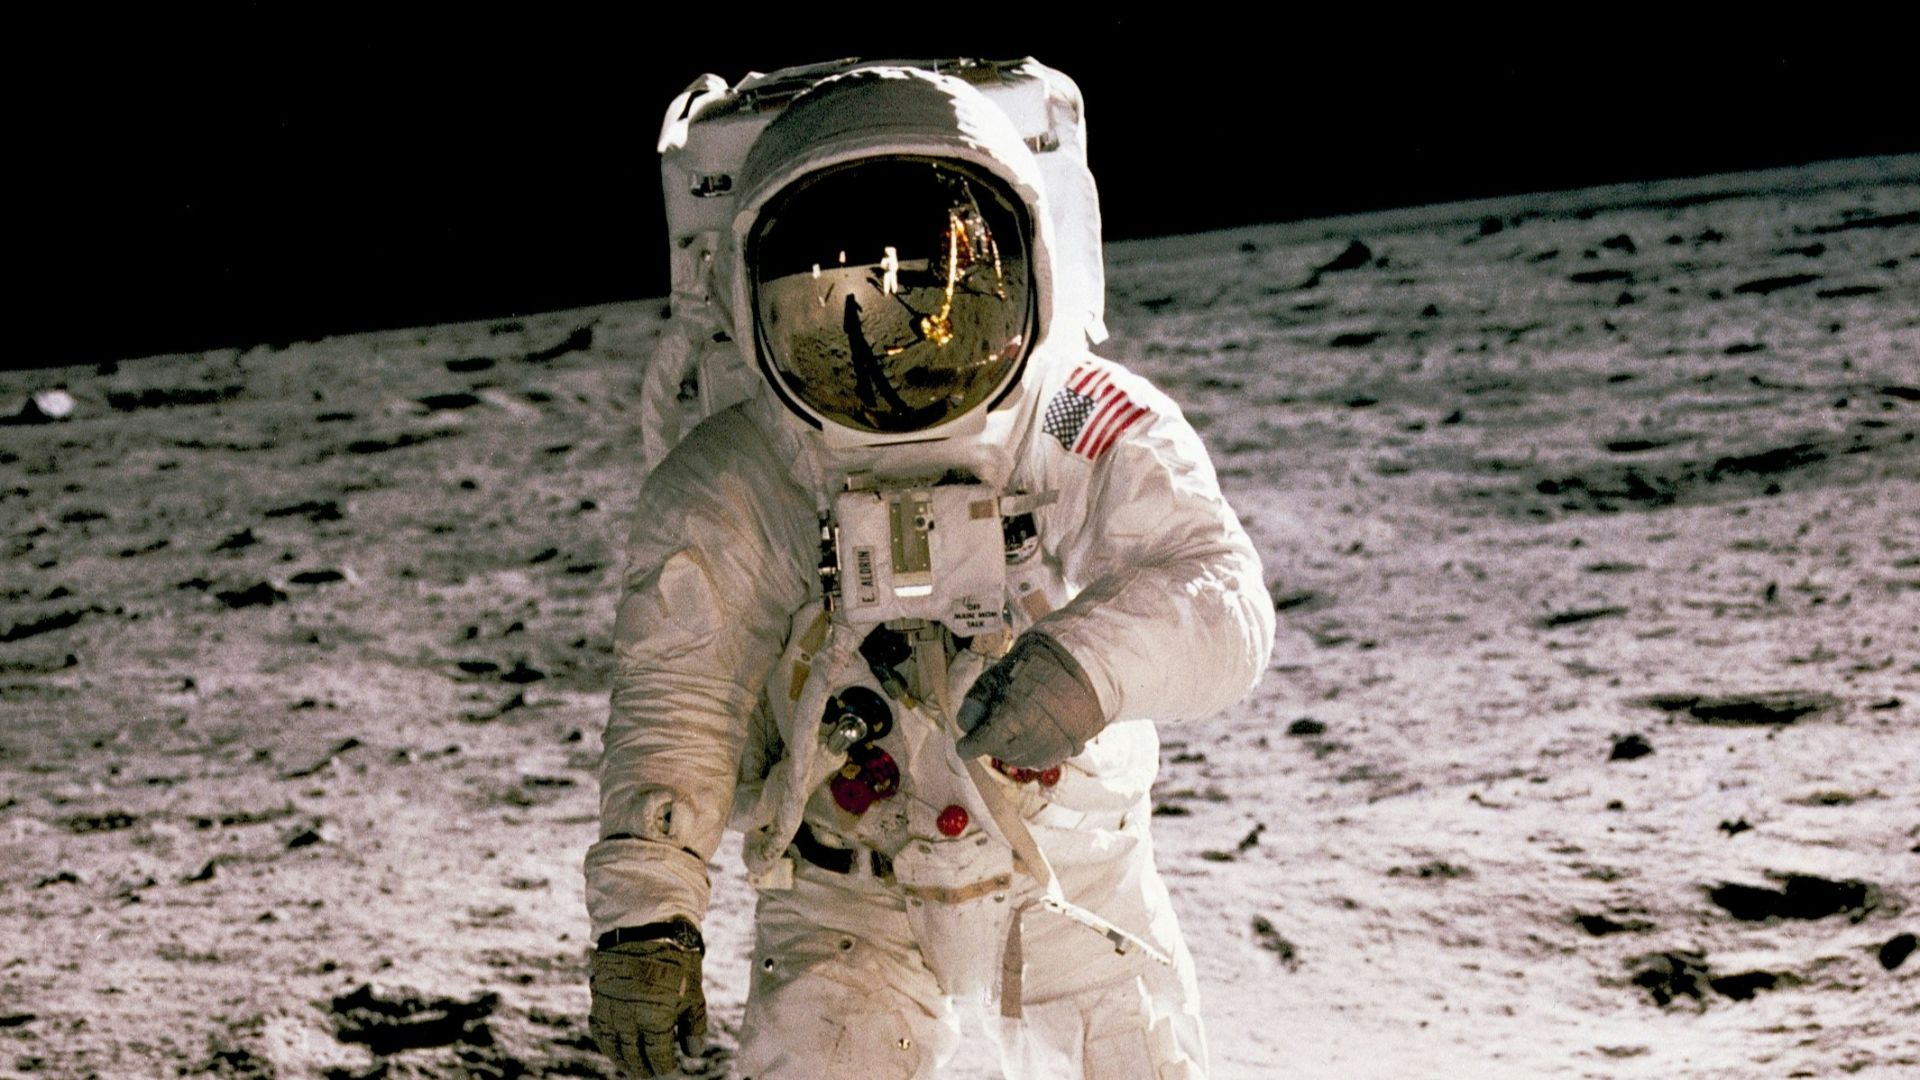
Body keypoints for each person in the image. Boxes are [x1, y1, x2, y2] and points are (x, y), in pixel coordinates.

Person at [586, 62, 1274, 1079]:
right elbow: (680, 692)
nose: (899, 349)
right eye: (836, 309)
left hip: (1069, 868)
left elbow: (1217, 590)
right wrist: (647, 916)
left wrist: (1085, 668)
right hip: (844, 888)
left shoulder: (1070, 413)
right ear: (753, 300)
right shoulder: (750, 469)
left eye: (945, 289)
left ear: (1028, 263)